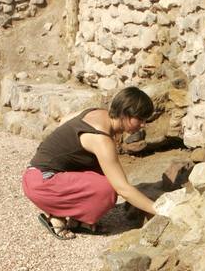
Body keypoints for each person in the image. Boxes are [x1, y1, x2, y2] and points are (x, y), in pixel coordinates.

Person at [22, 86, 157, 239]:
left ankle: (77, 220)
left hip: (35, 174)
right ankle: (57, 215)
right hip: (41, 183)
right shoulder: (101, 139)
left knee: (102, 170)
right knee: (107, 189)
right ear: (125, 114)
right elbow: (122, 188)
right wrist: (159, 210)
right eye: (140, 119)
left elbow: (64, 121)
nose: (143, 125)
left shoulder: (97, 113)